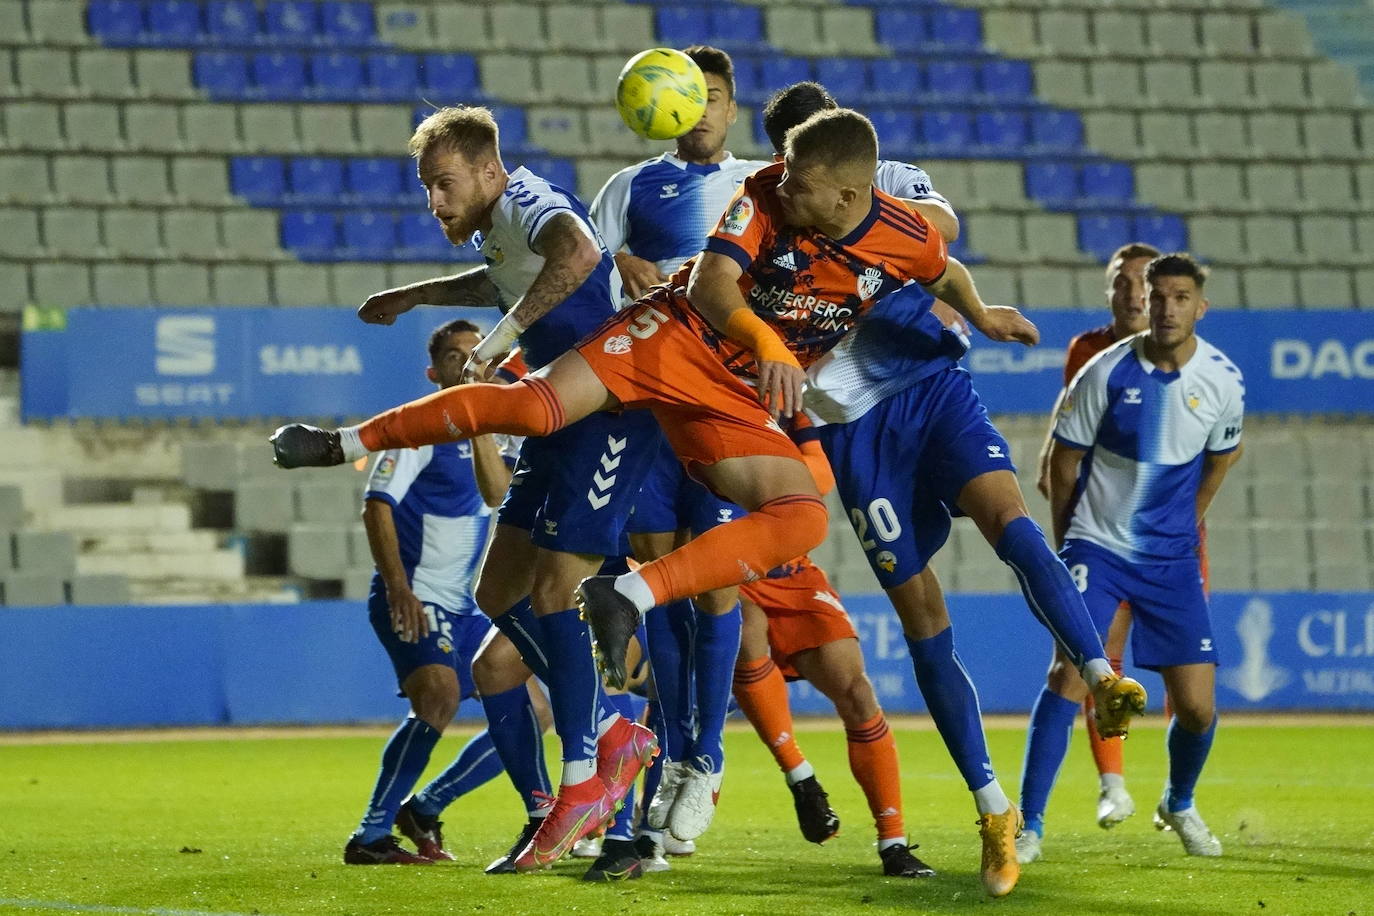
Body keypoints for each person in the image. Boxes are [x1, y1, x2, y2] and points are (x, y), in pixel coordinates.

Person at [269, 106, 1048, 860]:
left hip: (703, 398)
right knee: (525, 470)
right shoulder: (764, 197)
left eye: (803, 181)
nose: (783, 182)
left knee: (792, 522)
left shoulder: (893, 233)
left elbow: (938, 267)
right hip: (668, 342)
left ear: (849, 196)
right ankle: (346, 443)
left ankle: (627, 702)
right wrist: (767, 340)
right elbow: (712, 287)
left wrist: (982, 315)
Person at [759, 82, 1148, 898]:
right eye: (787, 162)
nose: (797, 181)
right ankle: (993, 810)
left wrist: (945, 292)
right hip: (854, 432)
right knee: (922, 613)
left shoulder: (891, 182)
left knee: (1010, 518)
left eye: (814, 163)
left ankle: (1099, 673)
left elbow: (939, 235)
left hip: (931, 389)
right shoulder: (761, 219)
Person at [283, 106, 662, 871]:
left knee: (556, 593)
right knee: (498, 596)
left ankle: (592, 768)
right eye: (426, 188)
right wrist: (415, 295)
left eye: (444, 183)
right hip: (559, 416)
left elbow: (577, 252)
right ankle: (607, 739)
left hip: (610, 410)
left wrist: (497, 342)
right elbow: (501, 275)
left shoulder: (527, 200)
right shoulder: (499, 226)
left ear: (489, 171)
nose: (435, 202)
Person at [1016, 253, 1243, 864]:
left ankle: (1179, 800)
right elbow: (1062, 464)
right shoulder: (1104, 372)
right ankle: (1029, 826)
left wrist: (1187, 521)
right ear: (1144, 298)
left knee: (1197, 707)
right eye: (1158, 295)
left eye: (1179, 298)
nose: (1166, 308)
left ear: (1200, 306)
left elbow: (1223, 457)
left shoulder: (1223, 380)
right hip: (1099, 545)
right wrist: (1070, 546)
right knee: (1068, 675)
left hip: (1171, 558)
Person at [343, 320, 512, 865]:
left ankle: (428, 804)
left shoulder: (500, 430)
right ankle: (369, 837)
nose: (467, 363)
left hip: (468, 607)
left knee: (532, 705)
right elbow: (376, 505)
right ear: (433, 372)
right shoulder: (418, 430)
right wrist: (398, 590)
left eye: (475, 353)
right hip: (417, 598)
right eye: (455, 356)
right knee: (437, 698)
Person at [1031, 242, 1161, 831]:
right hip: (1098, 534)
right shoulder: (1087, 350)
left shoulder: (1187, 359)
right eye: (1121, 281)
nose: (1132, 293)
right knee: (1088, 659)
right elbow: (1069, 424)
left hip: (1163, 536)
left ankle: (1179, 798)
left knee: (1188, 677)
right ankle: (1110, 787)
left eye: (1143, 282)